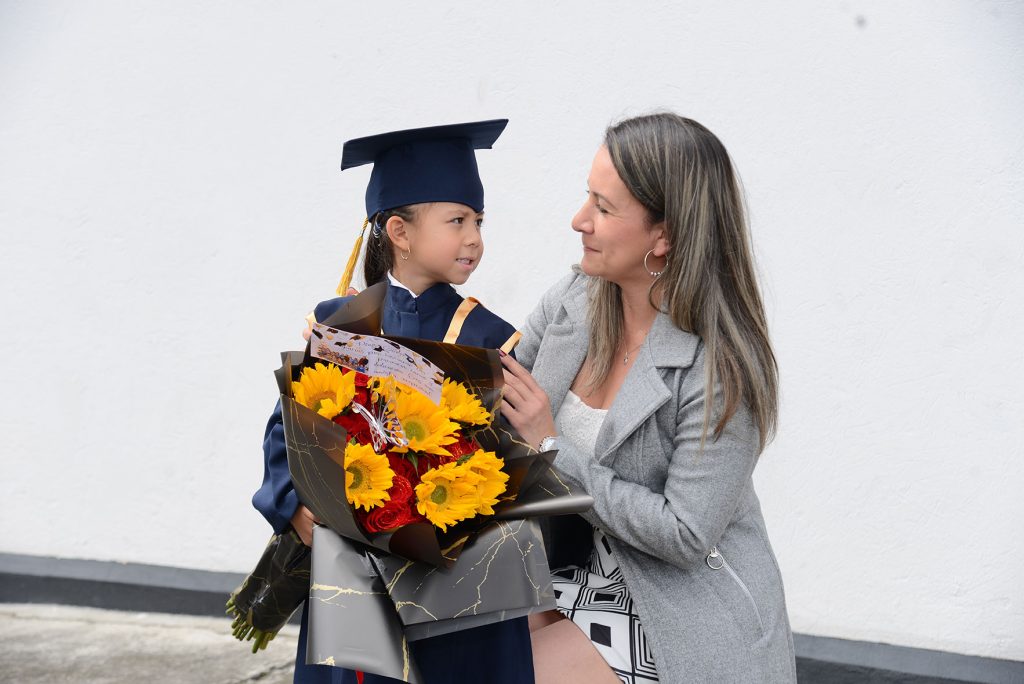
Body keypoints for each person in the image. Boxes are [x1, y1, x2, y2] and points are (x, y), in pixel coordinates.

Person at [498, 113, 797, 683]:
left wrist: (552, 450)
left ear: (665, 234)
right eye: (588, 196)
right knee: (440, 643)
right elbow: (497, 412)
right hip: (563, 563)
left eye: (604, 209)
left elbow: (685, 534)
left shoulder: (721, 365)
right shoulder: (572, 301)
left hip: (673, 600)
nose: (578, 220)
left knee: (508, 674)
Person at [252, 120, 532, 684]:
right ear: (399, 232)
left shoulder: (489, 339)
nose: (474, 237)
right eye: (457, 220)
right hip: (354, 574)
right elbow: (289, 429)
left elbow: (510, 456)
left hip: (456, 583)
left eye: (479, 221)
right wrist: (298, 510)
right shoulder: (340, 325)